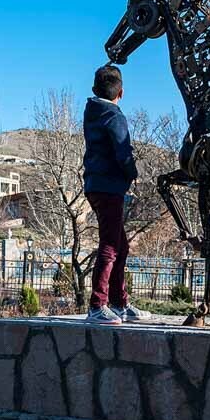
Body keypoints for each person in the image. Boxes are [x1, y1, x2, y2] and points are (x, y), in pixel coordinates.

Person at [82, 63, 150, 325]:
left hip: (95, 184)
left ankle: (120, 302)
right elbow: (123, 151)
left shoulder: (93, 112)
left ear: (93, 88)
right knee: (110, 247)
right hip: (110, 186)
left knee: (120, 245)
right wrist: (133, 172)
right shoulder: (114, 116)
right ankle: (98, 305)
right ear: (121, 92)